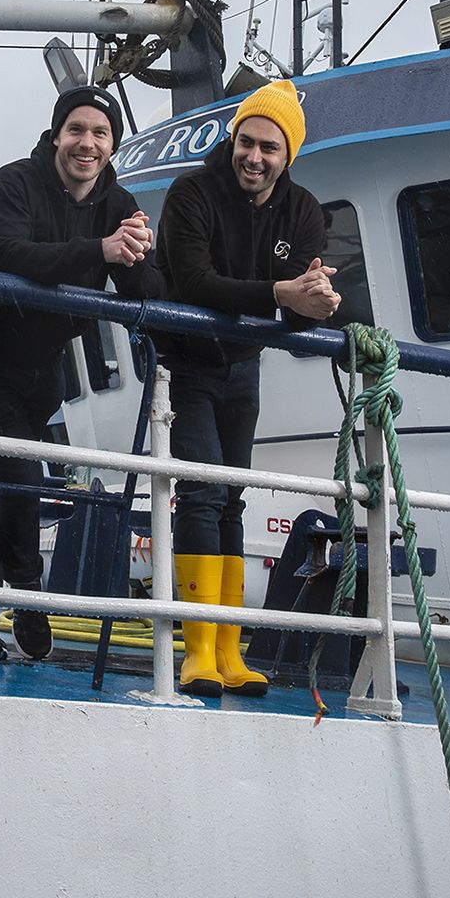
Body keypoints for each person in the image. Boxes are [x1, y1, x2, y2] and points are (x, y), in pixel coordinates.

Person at [0, 85, 165, 662]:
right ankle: (28, 590)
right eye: (77, 130)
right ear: (57, 135)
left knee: (0, 474)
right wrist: (103, 251)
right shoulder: (14, 182)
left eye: (100, 134)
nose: (87, 144)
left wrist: (141, 253)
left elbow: (144, 287)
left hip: (41, 363)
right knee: (14, 461)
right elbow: (13, 255)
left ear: (112, 144)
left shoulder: (119, 204)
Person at [156, 79, 339, 696]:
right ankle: (197, 650)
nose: (254, 157)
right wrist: (282, 294)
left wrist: (315, 302)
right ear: (233, 137)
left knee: (233, 499)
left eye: (270, 148)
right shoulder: (191, 194)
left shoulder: (303, 210)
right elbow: (193, 281)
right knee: (204, 495)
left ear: (288, 158)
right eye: (247, 141)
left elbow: (294, 296)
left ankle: (230, 652)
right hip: (190, 364)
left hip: (243, 369)